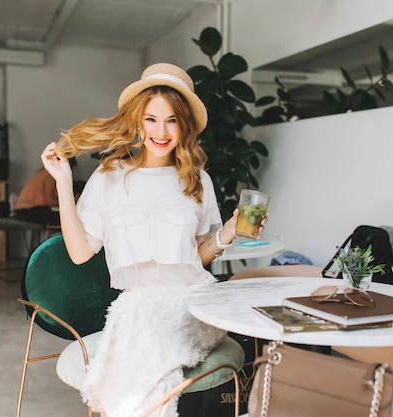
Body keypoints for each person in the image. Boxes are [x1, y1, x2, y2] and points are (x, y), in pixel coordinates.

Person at [41, 63, 267, 417]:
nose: (161, 131)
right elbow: (80, 252)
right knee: (140, 336)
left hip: (194, 304)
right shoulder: (109, 178)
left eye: (172, 120)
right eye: (151, 119)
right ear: (136, 121)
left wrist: (228, 233)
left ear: (185, 126)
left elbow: (196, 258)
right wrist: (63, 185)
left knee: (137, 345)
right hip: (139, 307)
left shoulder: (197, 180)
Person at [13, 158, 76, 226]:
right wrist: (72, 201)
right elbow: (50, 201)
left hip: (21, 210)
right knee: (68, 219)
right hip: (27, 210)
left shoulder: (42, 172)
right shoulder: (50, 176)